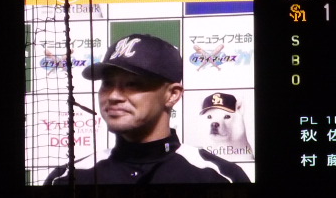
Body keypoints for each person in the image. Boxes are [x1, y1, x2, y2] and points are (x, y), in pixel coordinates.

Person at [45, 33, 250, 185]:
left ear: (172, 94)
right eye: (107, 84)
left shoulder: (220, 177)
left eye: (133, 84)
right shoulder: (68, 178)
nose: (114, 96)